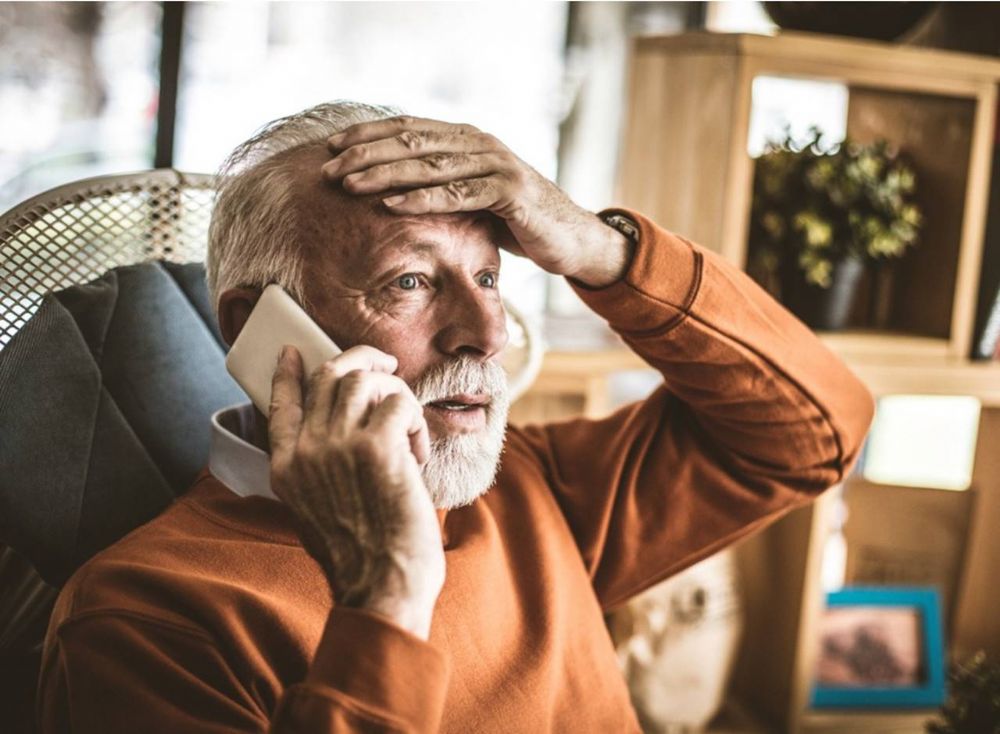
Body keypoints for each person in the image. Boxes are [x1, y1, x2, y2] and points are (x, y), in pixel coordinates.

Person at [38, 101, 875, 733]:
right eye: (410, 281)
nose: (489, 334)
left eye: (487, 277)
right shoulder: (143, 617)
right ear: (255, 326)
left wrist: (597, 248)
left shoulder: (533, 491)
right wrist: (386, 597)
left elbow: (817, 430)